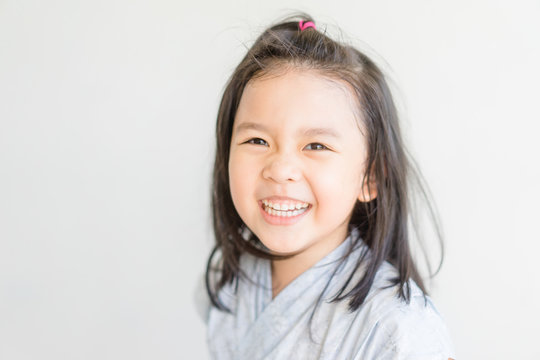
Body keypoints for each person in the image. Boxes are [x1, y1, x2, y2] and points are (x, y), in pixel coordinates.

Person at [197, 12, 456, 360]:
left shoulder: (399, 329)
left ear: (371, 177)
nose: (281, 169)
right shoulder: (227, 284)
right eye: (257, 140)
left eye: (316, 146)